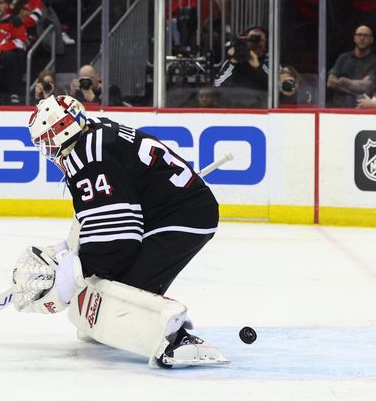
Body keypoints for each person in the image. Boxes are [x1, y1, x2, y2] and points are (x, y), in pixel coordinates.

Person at [14, 95, 227, 368]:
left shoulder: (88, 157)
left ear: (64, 131)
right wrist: (72, 250)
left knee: (125, 292)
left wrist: (78, 269)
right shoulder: (94, 132)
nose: (48, 151)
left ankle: (177, 339)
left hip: (184, 216)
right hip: (164, 211)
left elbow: (118, 241)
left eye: (48, 142)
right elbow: (100, 217)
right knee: (110, 285)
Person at [326, 24, 376, 108]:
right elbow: (330, 82)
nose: (362, 38)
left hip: (359, 110)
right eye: (359, 35)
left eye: (366, 35)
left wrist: (343, 80)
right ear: (354, 38)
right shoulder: (343, 58)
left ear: (371, 40)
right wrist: (355, 86)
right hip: (336, 108)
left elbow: (365, 87)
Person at [213, 26, 269, 107]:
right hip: (234, 108)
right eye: (253, 39)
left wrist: (258, 67)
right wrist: (233, 63)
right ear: (246, 41)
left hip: (260, 109)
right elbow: (217, 85)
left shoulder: (270, 63)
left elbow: (275, 88)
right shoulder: (232, 62)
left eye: (261, 40)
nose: (257, 44)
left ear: (266, 43)